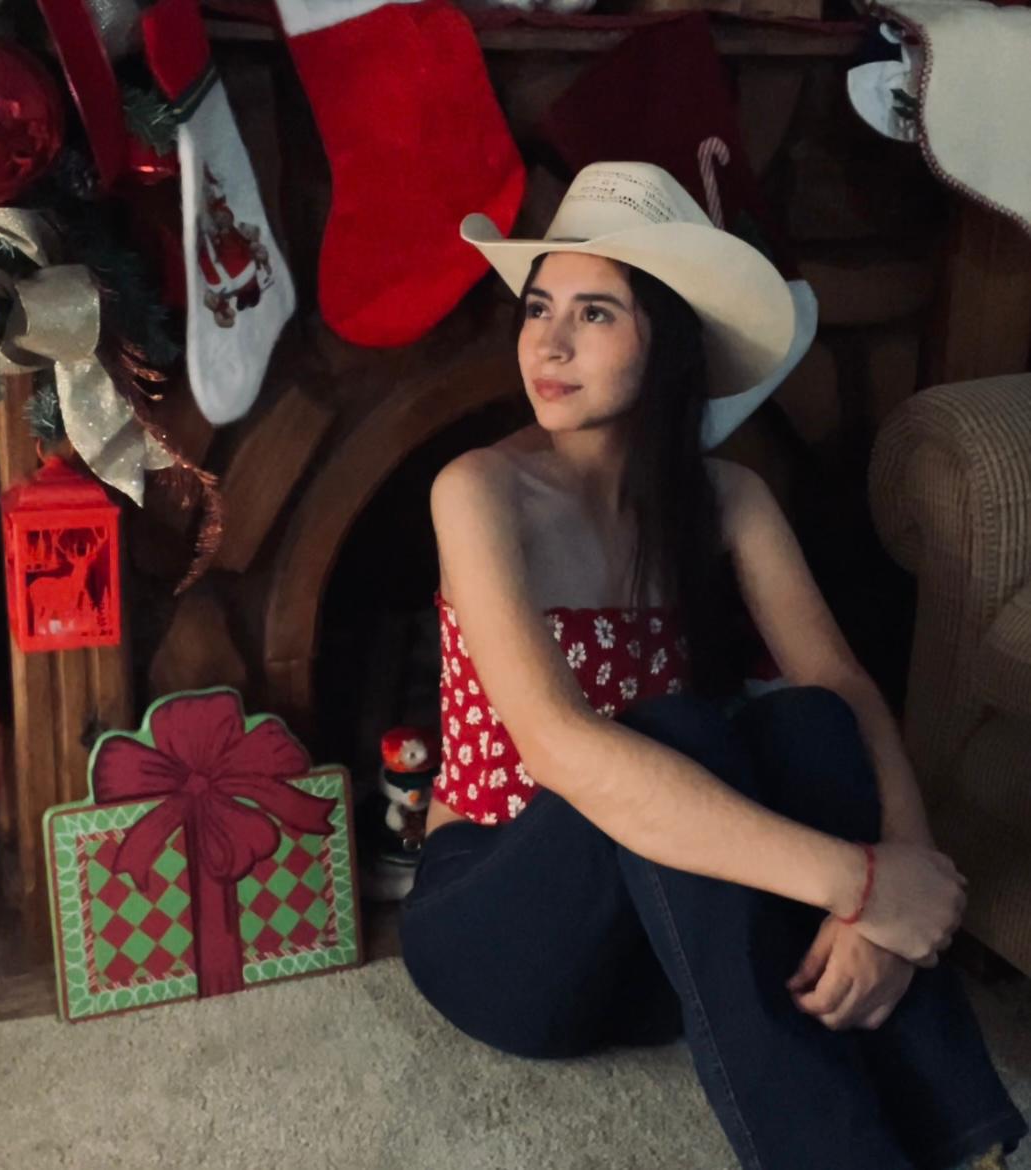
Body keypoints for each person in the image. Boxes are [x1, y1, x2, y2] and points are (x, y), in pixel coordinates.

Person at [398, 162, 1028, 1170]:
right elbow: (560, 749)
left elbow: (844, 688)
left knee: (808, 723)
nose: (549, 344)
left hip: (669, 940)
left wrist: (907, 879)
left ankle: (970, 1142)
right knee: (674, 734)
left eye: (594, 313)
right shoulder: (478, 491)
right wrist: (859, 882)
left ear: (669, 340)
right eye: (539, 309)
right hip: (502, 934)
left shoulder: (729, 500)